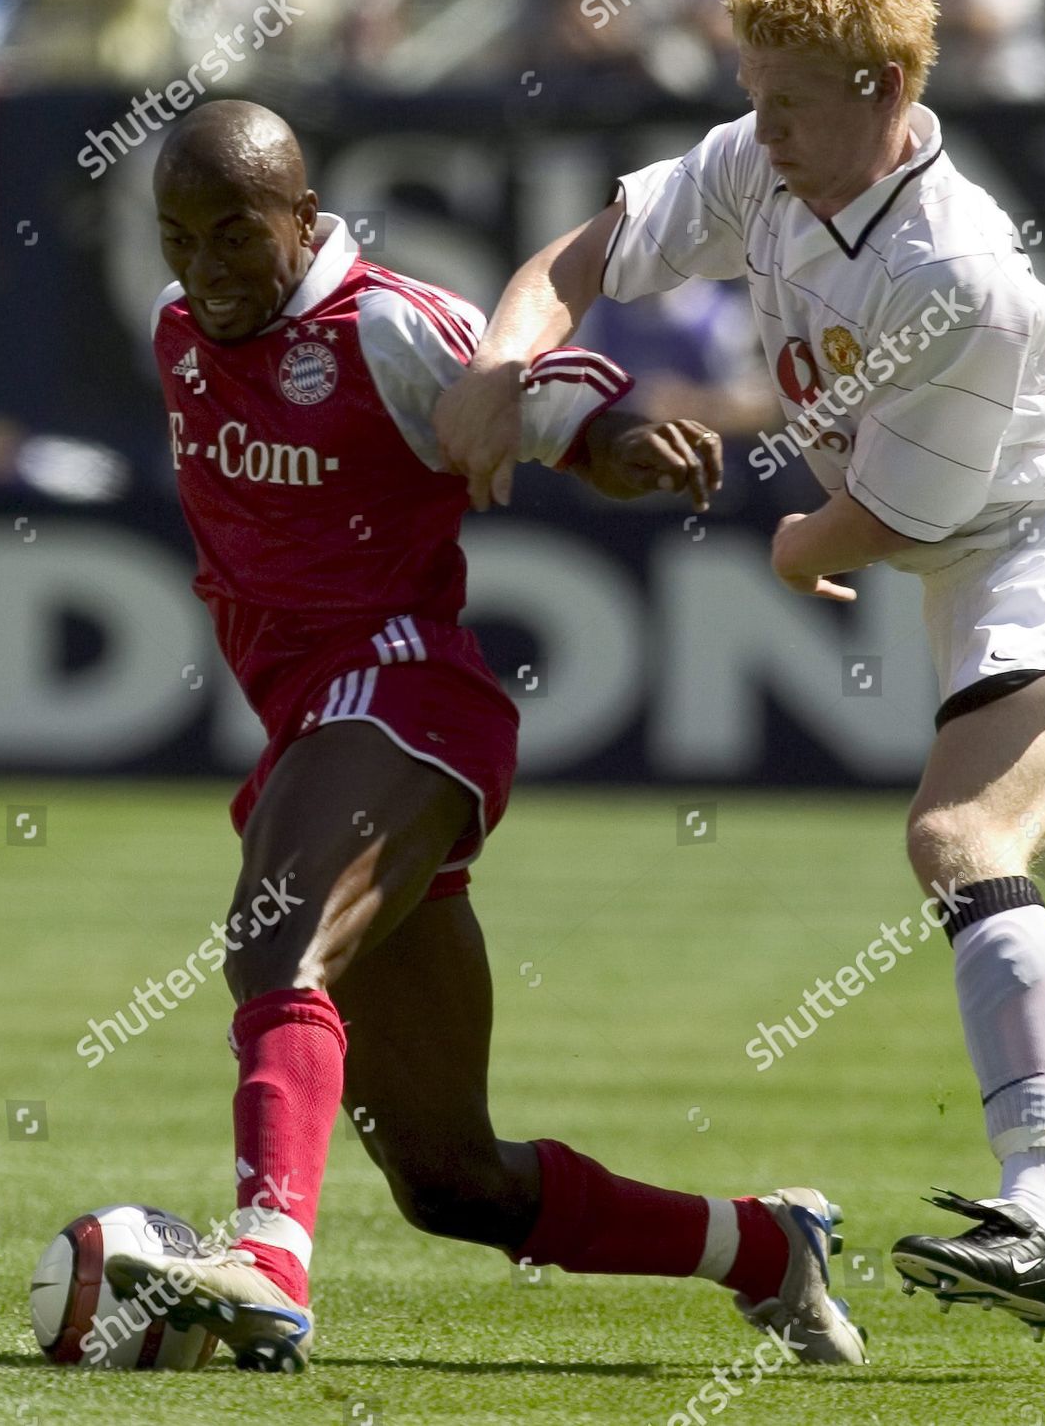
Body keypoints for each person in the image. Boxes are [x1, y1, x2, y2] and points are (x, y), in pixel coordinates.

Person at [103, 99, 868, 1374]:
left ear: (306, 218)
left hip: (406, 697)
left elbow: (539, 391)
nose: (206, 267)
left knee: (274, 937)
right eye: (178, 237)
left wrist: (622, 443)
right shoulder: (177, 326)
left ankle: (266, 1261)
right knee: (452, 1178)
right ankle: (766, 1247)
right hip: (314, 727)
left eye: (235, 234)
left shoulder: (387, 321)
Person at [432, 0, 1045, 1340]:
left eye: (786, 98)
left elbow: (888, 518)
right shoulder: (767, 160)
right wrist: (498, 362)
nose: (758, 123)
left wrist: (789, 546)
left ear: (887, 83)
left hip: (1042, 542)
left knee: (960, 839)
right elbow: (588, 251)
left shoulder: (948, 274)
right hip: (978, 558)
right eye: (750, 90)